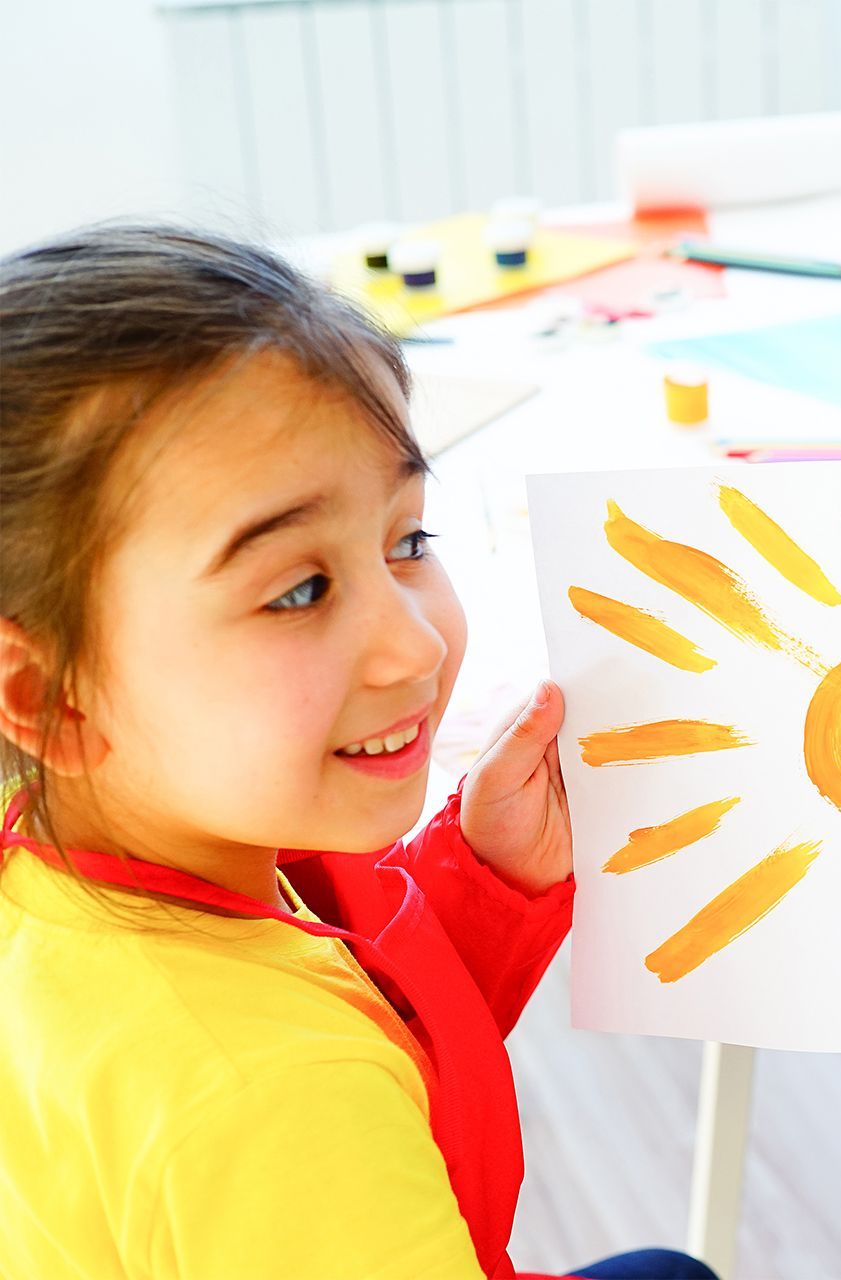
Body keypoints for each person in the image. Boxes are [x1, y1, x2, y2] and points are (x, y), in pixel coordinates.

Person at [0, 226, 713, 1280]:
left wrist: (484, 876)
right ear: (46, 695)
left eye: (408, 539)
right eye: (299, 588)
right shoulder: (272, 1101)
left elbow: (337, 982)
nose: (416, 644)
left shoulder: (92, 850)